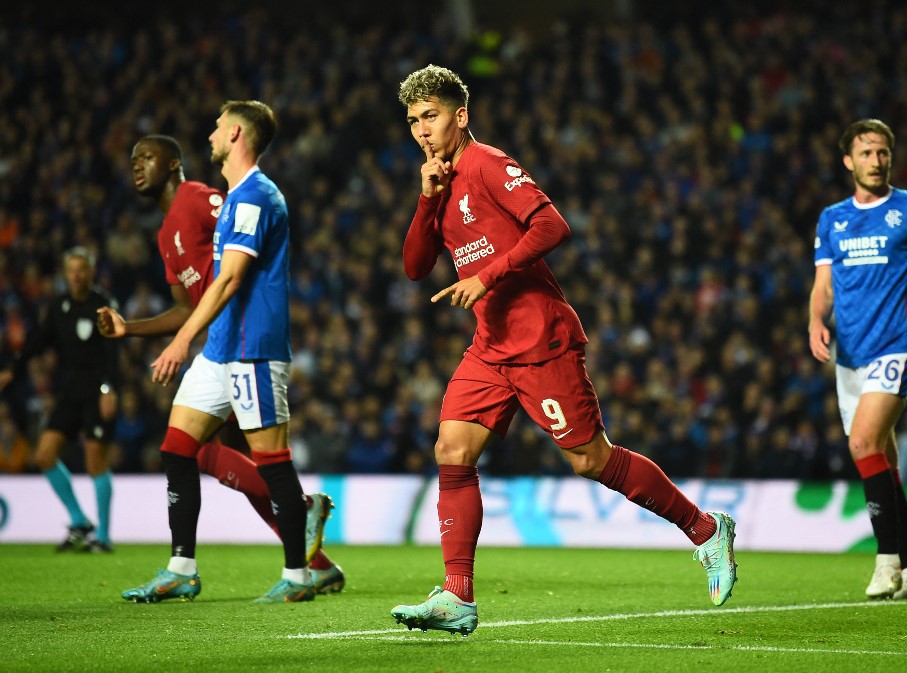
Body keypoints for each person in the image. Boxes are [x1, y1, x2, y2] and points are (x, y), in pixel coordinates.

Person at [389, 65, 737, 637]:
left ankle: (704, 529)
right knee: (452, 449)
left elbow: (552, 226)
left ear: (461, 115)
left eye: (431, 116)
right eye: (413, 121)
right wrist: (426, 201)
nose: (422, 131)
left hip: (540, 338)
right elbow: (412, 267)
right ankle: (457, 595)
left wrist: (490, 275)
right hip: (491, 345)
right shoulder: (441, 182)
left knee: (589, 460)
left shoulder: (488, 163)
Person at [98, 134, 344, 599]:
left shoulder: (200, 199)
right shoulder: (164, 231)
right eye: (132, 160)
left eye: (146, 158)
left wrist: (199, 331)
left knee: (229, 458)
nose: (136, 166)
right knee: (185, 450)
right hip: (215, 346)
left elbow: (237, 256)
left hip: (245, 340)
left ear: (173, 164)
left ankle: (298, 531)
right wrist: (127, 329)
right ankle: (311, 560)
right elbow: (180, 309)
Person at [808, 118, 907, 599]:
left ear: (891, 157)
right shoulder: (831, 219)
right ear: (848, 161)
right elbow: (824, 285)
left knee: (862, 444)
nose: (875, 161)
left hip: (896, 346)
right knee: (882, 459)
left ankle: (886, 562)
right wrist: (816, 321)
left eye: (882, 153)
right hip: (849, 355)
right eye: (866, 153)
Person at [0, 247, 119, 551]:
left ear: (91, 272)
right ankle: (79, 520)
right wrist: (14, 370)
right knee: (43, 455)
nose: (76, 275)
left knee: (95, 461)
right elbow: (39, 340)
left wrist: (108, 389)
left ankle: (103, 537)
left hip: (96, 391)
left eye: (82, 269)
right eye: (71, 270)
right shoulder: (59, 306)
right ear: (66, 274)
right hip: (71, 392)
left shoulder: (103, 304)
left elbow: (112, 352)